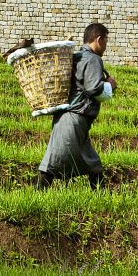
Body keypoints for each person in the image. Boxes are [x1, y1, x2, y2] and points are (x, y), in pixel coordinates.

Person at [35, 22, 115, 191]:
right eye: (106, 42)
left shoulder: (77, 57)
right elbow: (95, 89)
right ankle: (35, 197)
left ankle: (101, 199)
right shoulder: (93, 59)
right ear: (99, 40)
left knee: (94, 164)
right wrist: (110, 85)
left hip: (73, 119)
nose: (106, 46)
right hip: (73, 118)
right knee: (52, 161)